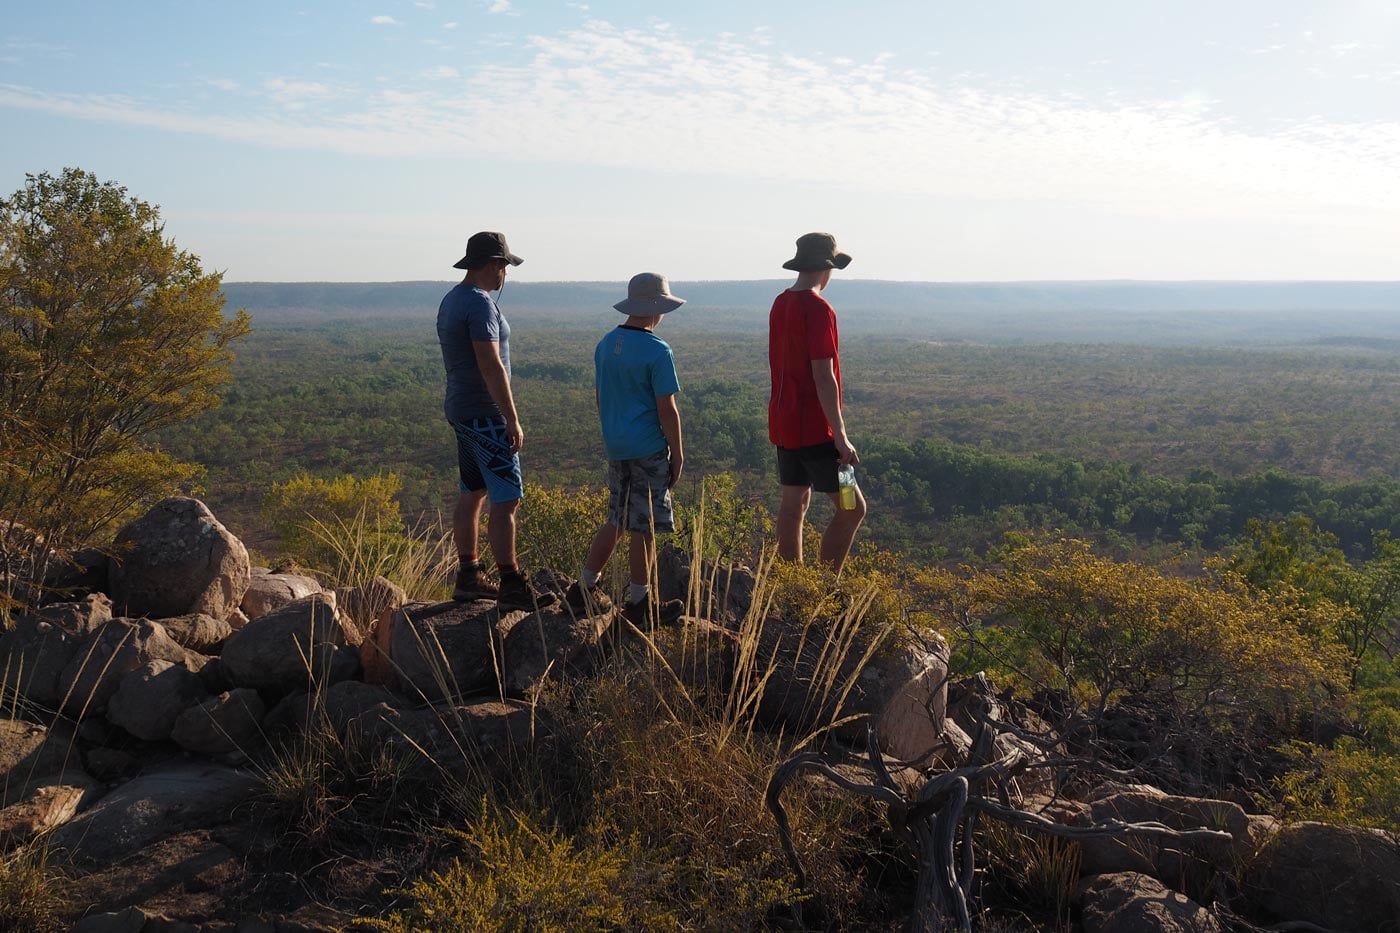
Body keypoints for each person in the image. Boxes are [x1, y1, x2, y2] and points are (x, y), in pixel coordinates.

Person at [565, 273, 687, 626]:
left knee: (617, 518)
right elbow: (668, 409)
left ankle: (584, 586)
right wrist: (677, 454)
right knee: (644, 525)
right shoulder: (658, 350)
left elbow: (601, 397)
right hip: (648, 446)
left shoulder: (605, 343)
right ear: (655, 309)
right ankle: (640, 601)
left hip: (616, 445)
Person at [438, 231, 548, 611]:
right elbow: (490, 363)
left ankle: (468, 575)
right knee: (507, 498)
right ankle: (511, 582)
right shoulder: (480, 306)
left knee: (473, 491)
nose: (506, 274)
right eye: (505, 266)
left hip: (461, 408)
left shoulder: (452, 300)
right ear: (494, 265)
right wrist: (511, 419)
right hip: (485, 414)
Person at [768, 232, 867, 575]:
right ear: (827, 268)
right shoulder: (818, 307)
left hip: (784, 424)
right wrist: (839, 436)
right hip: (817, 432)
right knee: (852, 508)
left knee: (793, 505)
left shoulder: (781, 303)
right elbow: (823, 375)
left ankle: (790, 585)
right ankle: (825, 586)